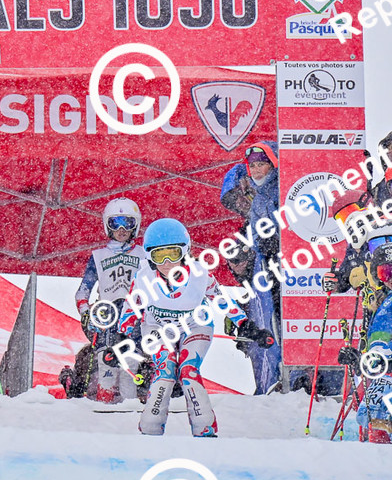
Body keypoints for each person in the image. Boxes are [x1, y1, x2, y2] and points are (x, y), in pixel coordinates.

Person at [117, 219, 274, 437]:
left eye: (173, 254)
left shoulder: (200, 275)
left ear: (185, 252)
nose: (167, 263)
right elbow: (130, 309)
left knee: (188, 371)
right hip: (157, 326)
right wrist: (120, 339)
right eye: (159, 256)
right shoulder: (143, 278)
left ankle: (204, 428)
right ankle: (151, 427)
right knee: (165, 370)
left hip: (195, 325)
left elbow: (222, 300)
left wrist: (247, 326)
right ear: (149, 258)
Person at [336, 243, 392, 443]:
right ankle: (384, 443)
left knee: (375, 411)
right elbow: (379, 336)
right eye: (386, 273)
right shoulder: (386, 297)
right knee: (365, 409)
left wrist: (378, 355)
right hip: (385, 370)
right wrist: (361, 359)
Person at [220, 142, 282, 393]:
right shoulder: (256, 207)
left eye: (261, 164)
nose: (242, 202)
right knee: (269, 328)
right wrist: (241, 264)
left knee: (281, 325)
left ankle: (285, 378)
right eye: (236, 200)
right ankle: (270, 381)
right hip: (264, 280)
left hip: (285, 272)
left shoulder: (278, 191)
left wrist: (275, 242)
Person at [74, 198, 145, 403]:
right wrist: (86, 313)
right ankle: (105, 408)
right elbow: (82, 292)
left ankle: (129, 408)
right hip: (107, 317)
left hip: (133, 317)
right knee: (106, 365)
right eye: (116, 223)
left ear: (136, 225)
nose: (122, 229)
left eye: (128, 223)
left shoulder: (143, 255)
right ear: (107, 225)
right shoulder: (98, 256)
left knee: (130, 366)